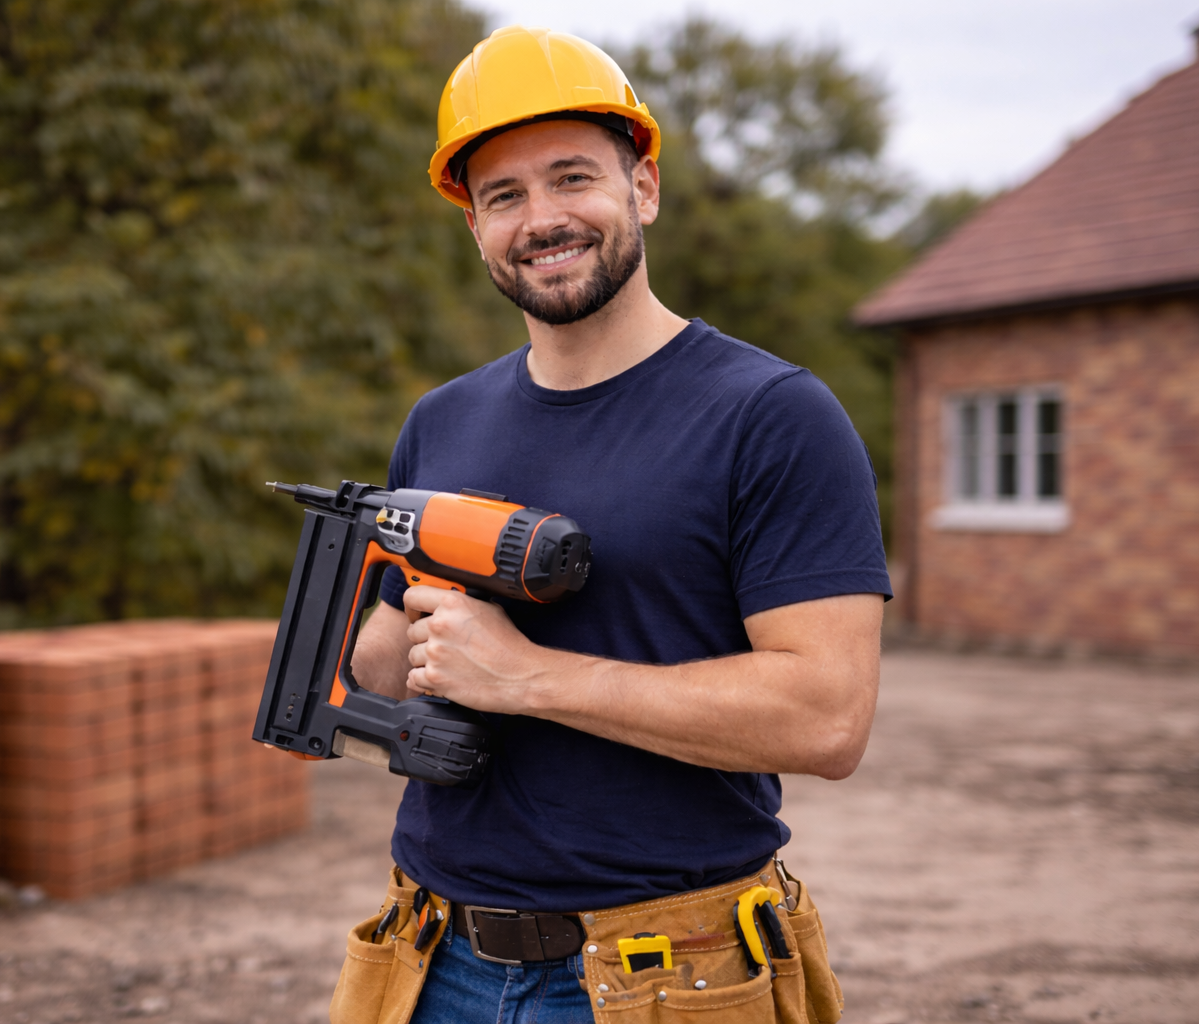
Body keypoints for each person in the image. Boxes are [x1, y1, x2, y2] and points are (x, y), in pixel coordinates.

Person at [333, 24, 890, 1024]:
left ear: (644, 189)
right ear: (473, 227)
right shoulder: (441, 419)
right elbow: (380, 659)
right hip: (428, 956)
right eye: (503, 196)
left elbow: (828, 715)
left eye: (572, 178)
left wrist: (530, 675)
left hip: (672, 969)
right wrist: (418, 632)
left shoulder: (771, 415)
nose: (541, 219)